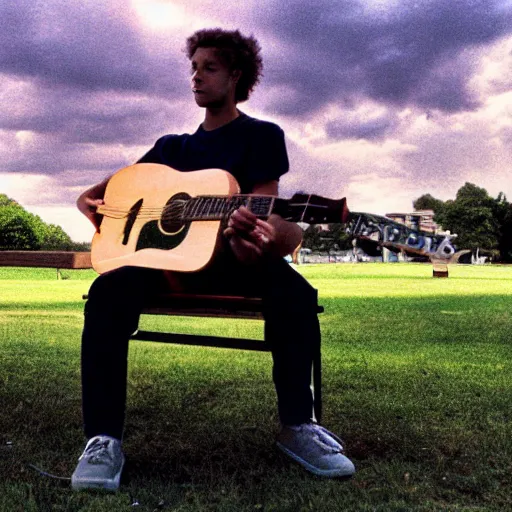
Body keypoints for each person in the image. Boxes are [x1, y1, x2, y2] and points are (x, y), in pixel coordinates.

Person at [72, 28, 355, 491]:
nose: (196, 77)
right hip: (164, 263)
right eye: (194, 67)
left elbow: (266, 220)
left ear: (236, 75)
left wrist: (249, 239)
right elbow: (119, 187)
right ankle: (102, 440)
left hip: (230, 260)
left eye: (209, 68)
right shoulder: (171, 148)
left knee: (296, 294)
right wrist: (88, 198)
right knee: (106, 293)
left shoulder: (261, 136)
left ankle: (298, 427)